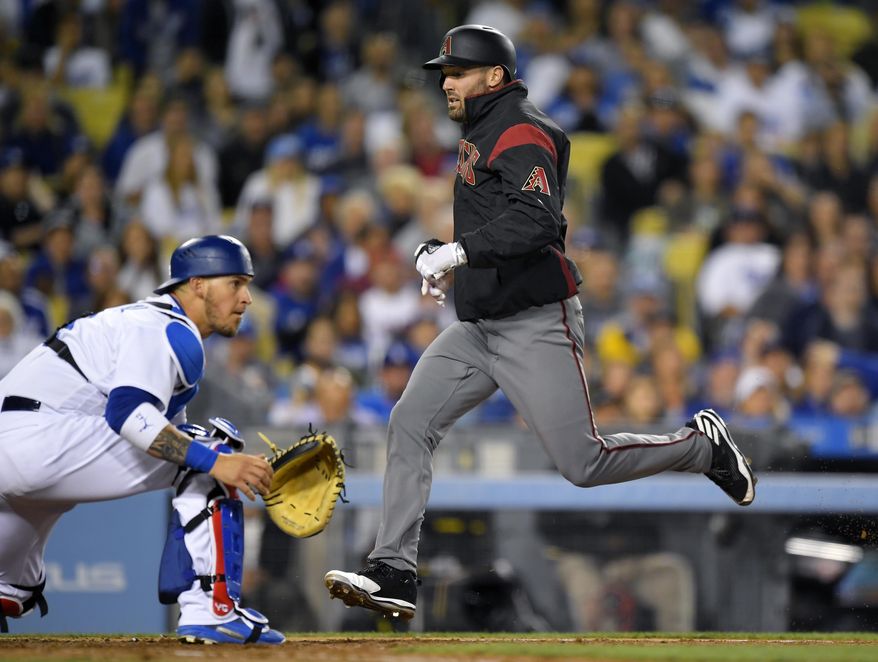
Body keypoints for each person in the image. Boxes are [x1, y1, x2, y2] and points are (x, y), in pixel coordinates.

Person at [323, 24, 757, 621]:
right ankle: (394, 569)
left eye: (457, 73)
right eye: (444, 74)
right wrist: (442, 253)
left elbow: (535, 223)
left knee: (584, 464)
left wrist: (459, 252)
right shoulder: (482, 127)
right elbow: (494, 220)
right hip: (478, 328)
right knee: (410, 422)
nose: (446, 83)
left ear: (494, 76)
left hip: (534, 322)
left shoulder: (522, 128)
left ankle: (700, 449)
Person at [0, 235, 284, 644]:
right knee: (211, 450)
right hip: (38, 441)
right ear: (198, 284)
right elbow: (129, 415)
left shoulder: (147, 321)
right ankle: (213, 610)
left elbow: (160, 431)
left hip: (23, 442)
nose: (247, 298)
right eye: (235, 283)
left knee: (13, 590)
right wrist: (219, 463)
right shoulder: (163, 328)